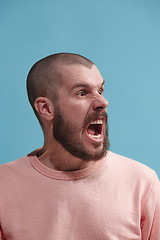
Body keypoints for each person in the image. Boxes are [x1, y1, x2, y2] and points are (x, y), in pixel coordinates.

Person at [0, 53, 159, 240]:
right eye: (82, 93)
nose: (103, 102)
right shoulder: (5, 184)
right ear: (46, 109)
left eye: (100, 90)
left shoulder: (142, 183)